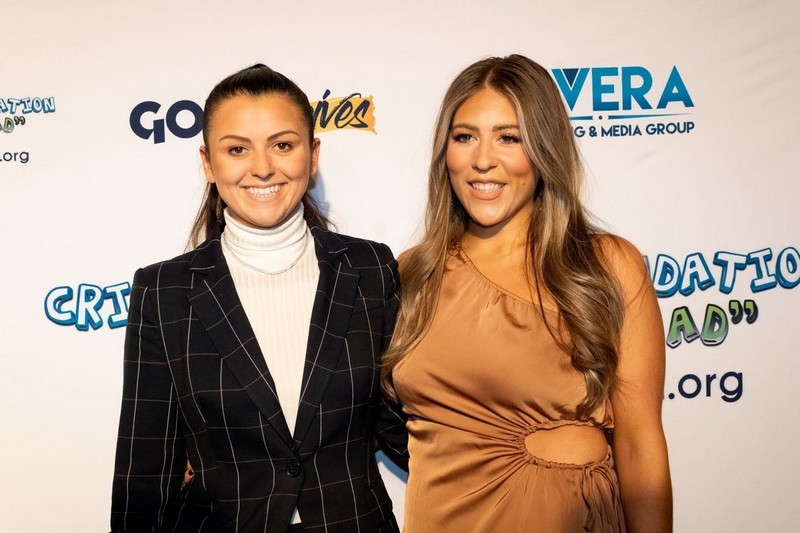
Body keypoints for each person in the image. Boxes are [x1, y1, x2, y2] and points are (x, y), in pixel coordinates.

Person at [111, 64, 407, 533]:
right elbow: (145, 469)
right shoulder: (164, 291)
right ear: (208, 163)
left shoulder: (370, 268)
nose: (263, 167)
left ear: (313, 155)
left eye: (283, 145)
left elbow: (405, 425)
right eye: (237, 149)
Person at [383, 54, 672, 532]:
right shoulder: (411, 272)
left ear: (544, 148)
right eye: (465, 137)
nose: (482, 160)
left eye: (509, 138)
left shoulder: (604, 264)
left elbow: (641, 446)